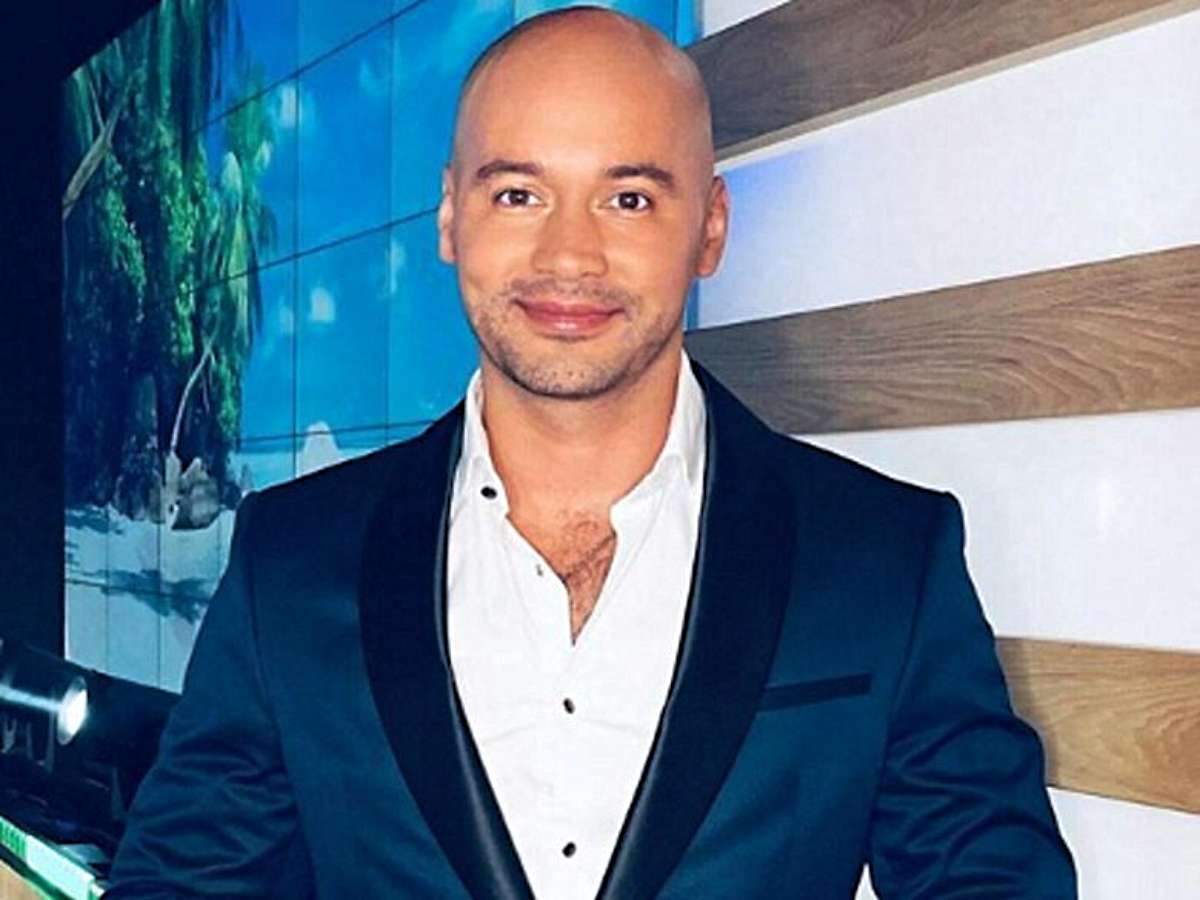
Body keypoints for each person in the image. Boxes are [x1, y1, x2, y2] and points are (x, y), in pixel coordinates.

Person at [107, 7, 1076, 898]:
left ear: (711, 227)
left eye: (629, 199)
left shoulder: (885, 557)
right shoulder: (290, 559)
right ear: (450, 216)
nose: (569, 256)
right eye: (519, 192)